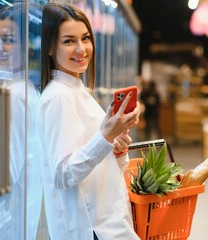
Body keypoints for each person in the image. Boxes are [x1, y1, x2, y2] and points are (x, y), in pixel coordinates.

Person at [38, 3, 140, 240]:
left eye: (85, 38)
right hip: (90, 228)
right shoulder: (59, 97)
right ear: (50, 48)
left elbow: (93, 162)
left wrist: (116, 147)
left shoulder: (76, 90)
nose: (81, 49)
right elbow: (62, 174)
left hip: (104, 220)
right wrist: (105, 136)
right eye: (68, 41)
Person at [0, 3, 43, 239]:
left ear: (27, 47)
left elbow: (2, 173)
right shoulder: (16, 88)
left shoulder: (18, 96)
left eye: (8, 40)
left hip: (7, 224)